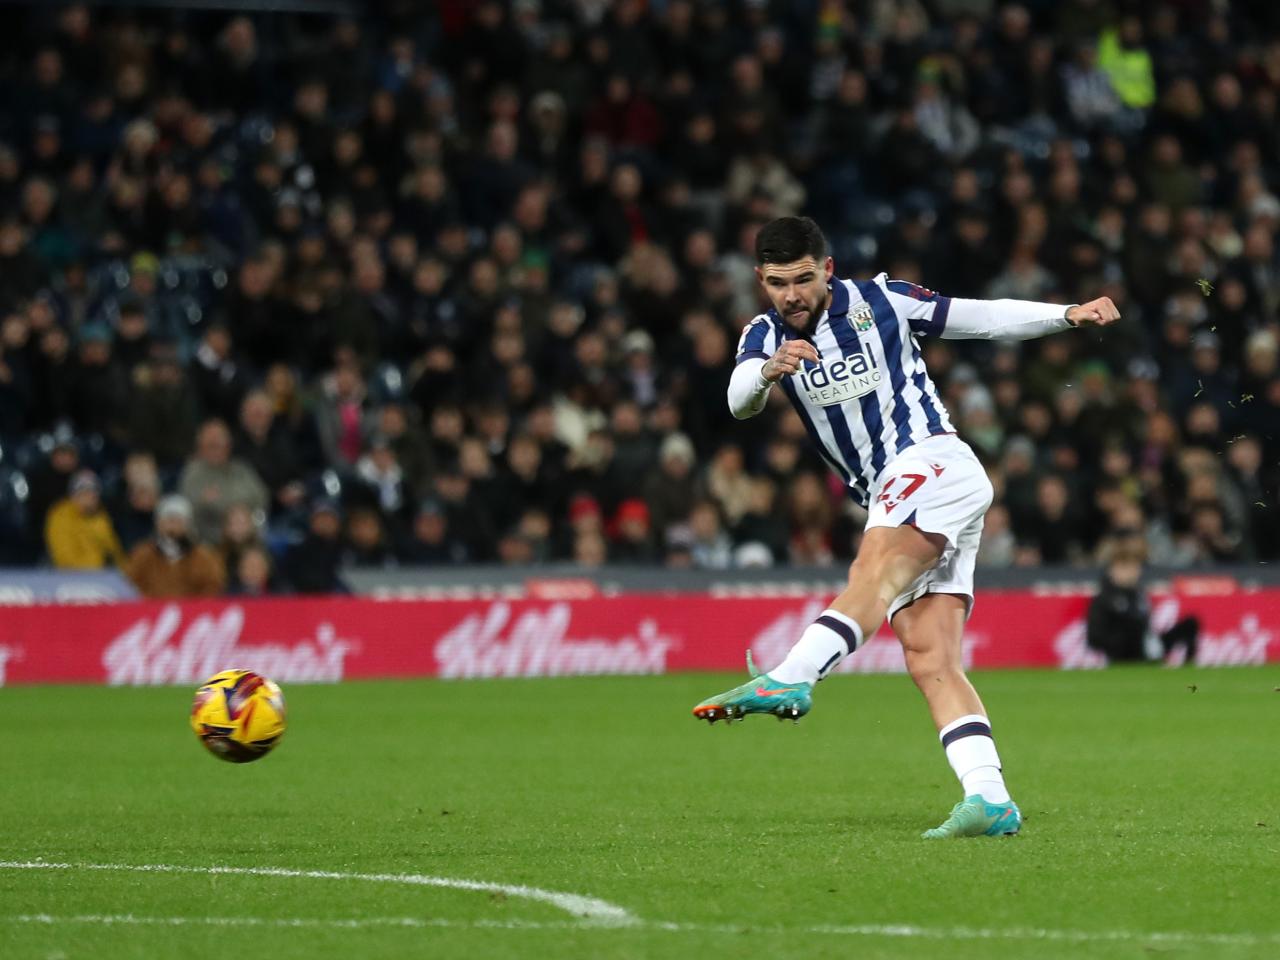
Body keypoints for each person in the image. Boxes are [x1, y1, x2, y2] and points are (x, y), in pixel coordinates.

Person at [692, 217, 1120, 839]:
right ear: (761, 280)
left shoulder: (881, 301)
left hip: (929, 461)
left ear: (828, 269)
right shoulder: (763, 335)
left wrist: (1066, 314)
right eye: (778, 284)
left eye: (803, 279)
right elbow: (738, 400)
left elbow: (980, 318)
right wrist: (768, 371)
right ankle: (990, 798)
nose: (792, 295)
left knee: (874, 571)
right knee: (929, 655)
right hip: (902, 491)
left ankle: (793, 675)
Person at [1086, 553, 1199, 665]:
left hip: (1147, 641)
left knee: (1190, 623)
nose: (1132, 572)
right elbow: (1095, 636)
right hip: (1123, 650)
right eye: (1126, 568)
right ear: (1112, 571)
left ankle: (1187, 663)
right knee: (1133, 627)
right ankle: (1149, 655)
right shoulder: (1104, 598)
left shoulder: (1138, 594)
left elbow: (1147, 623)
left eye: (1134, 567)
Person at [124, 494, 226, 598]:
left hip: (190, 607)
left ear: (188, 525)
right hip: (152, 607)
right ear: (158, 524)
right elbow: (129, 585)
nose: (172, 527)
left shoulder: (204, 557)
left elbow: (213, 586)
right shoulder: (143, 555)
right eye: (169, 520)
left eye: (178, 521)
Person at [44, 469, 125, 569]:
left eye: (93, 491)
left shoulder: (101, 516)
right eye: (84, 491)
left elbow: (115, 552)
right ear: (73, 494)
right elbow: (65, 559)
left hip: (103, 574)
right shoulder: (61, 516)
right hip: (70, 576)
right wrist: (101, 562)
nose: (90, 496)